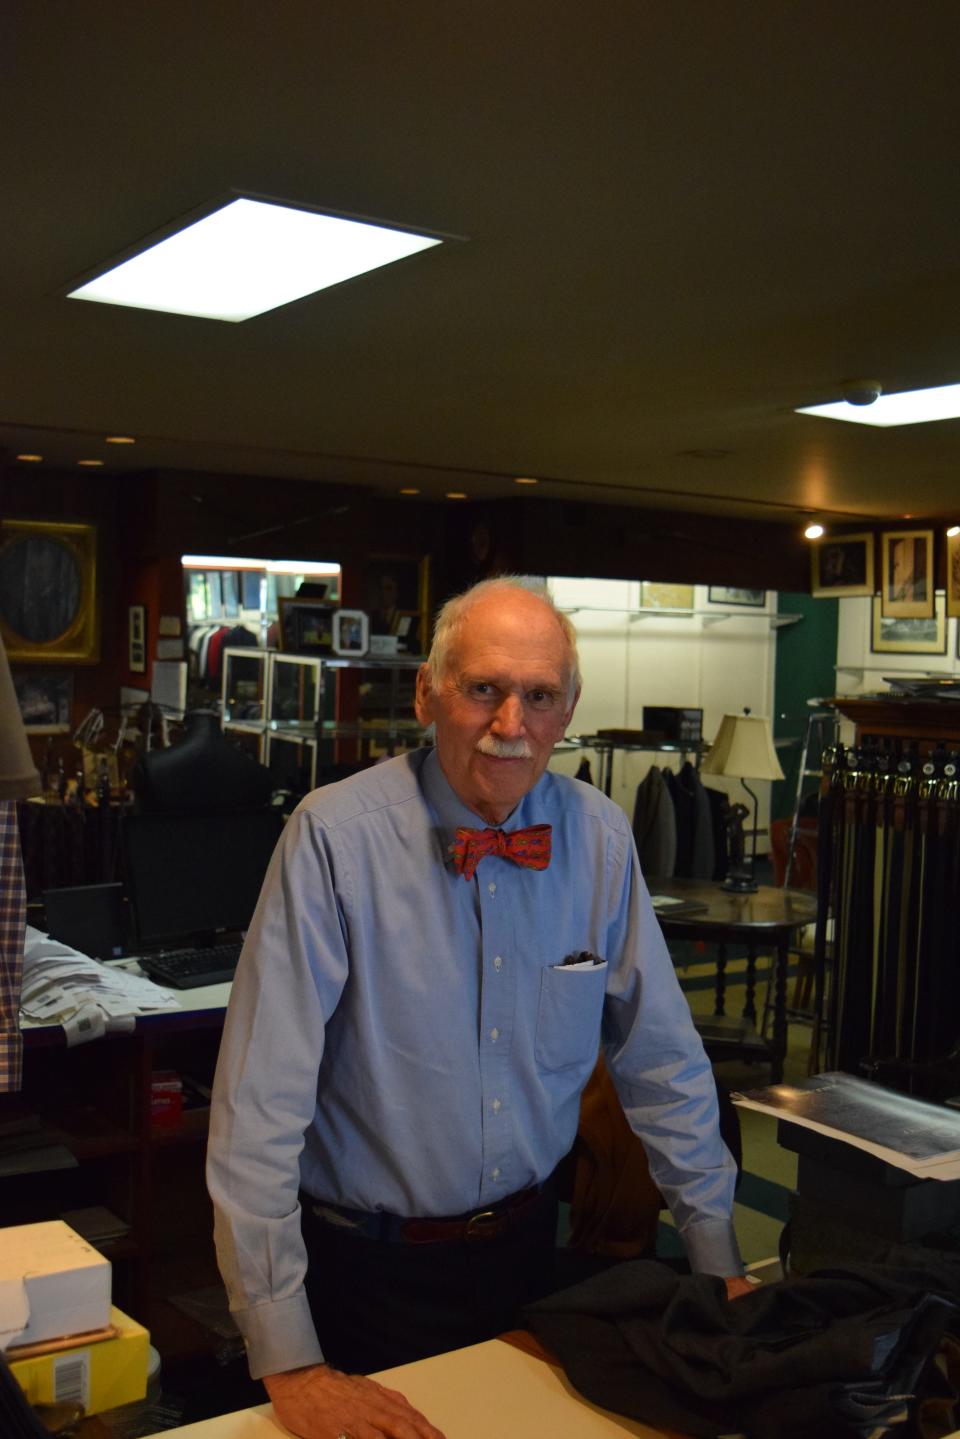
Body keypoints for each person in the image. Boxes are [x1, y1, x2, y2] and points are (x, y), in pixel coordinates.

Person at [207, 576, 748, 1439]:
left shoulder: (600, 837)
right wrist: (291, 1358)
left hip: (531, 1259)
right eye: (484, 689)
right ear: (428, 691)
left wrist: (719, 1261)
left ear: (568, 709)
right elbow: (255, 1110)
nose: (512, 724)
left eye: (539, 696)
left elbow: (663, 1061)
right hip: (363, 1278)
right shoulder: (332, 838)